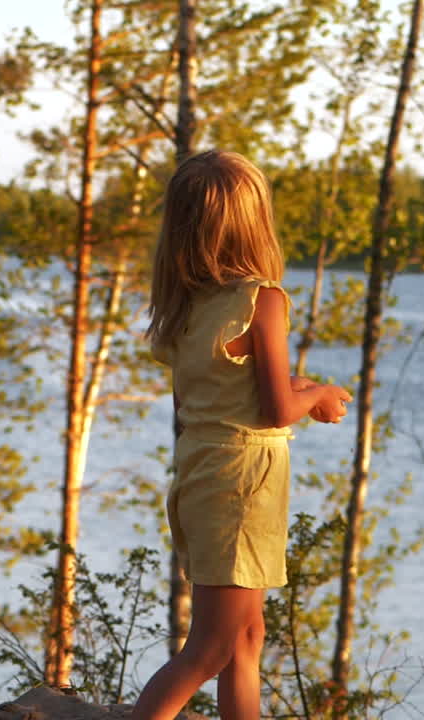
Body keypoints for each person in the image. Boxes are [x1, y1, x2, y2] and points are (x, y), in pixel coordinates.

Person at [131, 150, 351, 720]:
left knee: (246, 640)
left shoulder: (188, 307)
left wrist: (299, 388)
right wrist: (319, 395)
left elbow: (205, 403)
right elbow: (277, 410)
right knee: (210, 648)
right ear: (253, 223)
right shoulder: (262, 300)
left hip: (204, 475)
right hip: (243, 486)